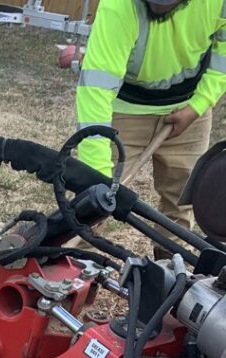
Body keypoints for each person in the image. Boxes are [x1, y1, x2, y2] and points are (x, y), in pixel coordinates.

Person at [76, 0, 226, 243]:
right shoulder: (118, 6)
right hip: (124, 112)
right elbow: (96, 89)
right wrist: (98, 176)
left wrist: (197, 106)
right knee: (89, 206)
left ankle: (171, 266)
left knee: (178, 212)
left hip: (188, 108)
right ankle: (72, 268)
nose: (157, 6)